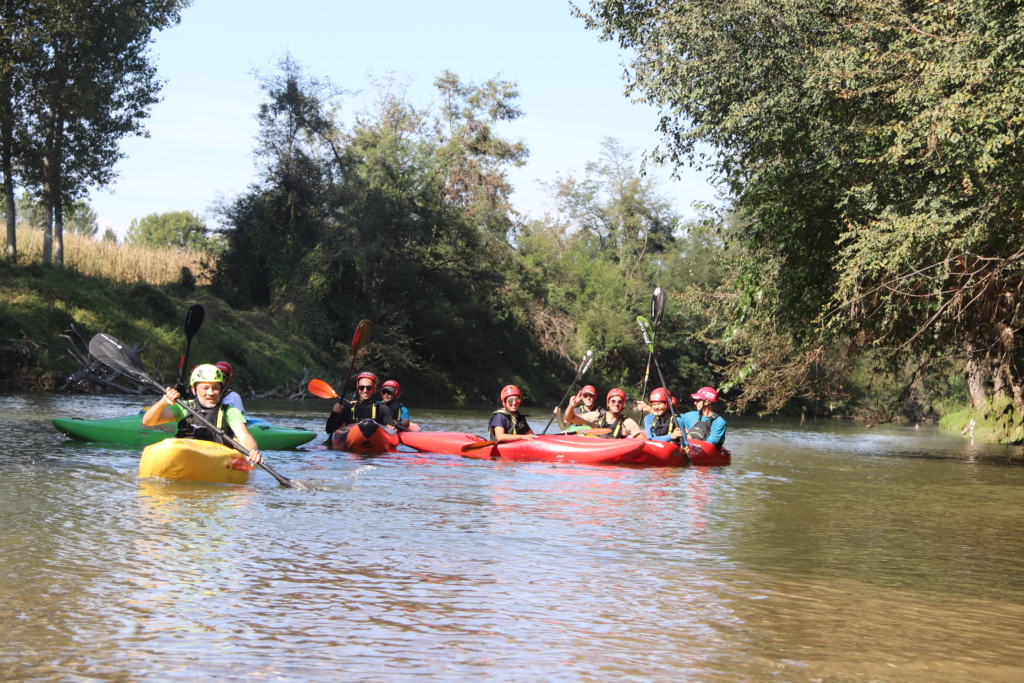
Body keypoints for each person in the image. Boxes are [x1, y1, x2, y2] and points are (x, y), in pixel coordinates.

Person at [142, 364, 263, 465]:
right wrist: (163, 402)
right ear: (194, 389)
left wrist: (252, 450)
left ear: (221, 389)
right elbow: (148, 421)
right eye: (205, 388)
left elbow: (245, 437)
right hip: (184, 454)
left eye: (215, 388)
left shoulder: (230, 412)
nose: (211, 393)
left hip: (216, 459)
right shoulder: (183, 407)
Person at [325, 371, 394, 434]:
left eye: (369, 388)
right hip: (352, 440)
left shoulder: (383, 409)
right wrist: (334, 413)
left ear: (374, 389)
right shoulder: (347, 408)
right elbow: (329, 430)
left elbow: (393, 433)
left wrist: (391, 429)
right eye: (362, 387)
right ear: (358, 388)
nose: (365, 390)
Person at [564, 387, 643, 438]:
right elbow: (570, 419)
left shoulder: (628, 423)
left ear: (623, 404)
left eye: (620, 402)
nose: (616, 404)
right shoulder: (596, 416)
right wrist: (571, 406)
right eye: (613, 401)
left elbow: (643, 442)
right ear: (608, 403)